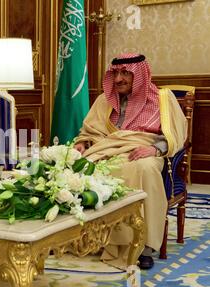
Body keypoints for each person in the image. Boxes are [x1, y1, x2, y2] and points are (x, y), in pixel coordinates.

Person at [74, 53, 187, 270]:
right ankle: (97, 239)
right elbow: (91, 132)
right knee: (85, 167)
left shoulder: (163, 99)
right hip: (110, 149)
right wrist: (84, 144)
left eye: (125, 73)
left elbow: (176, 134)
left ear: (140, 74)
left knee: (143, 168)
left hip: (147, 151)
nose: (118, 79)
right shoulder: (104, 100)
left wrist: (154, 149)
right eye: (115, 73)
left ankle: (144, 245)